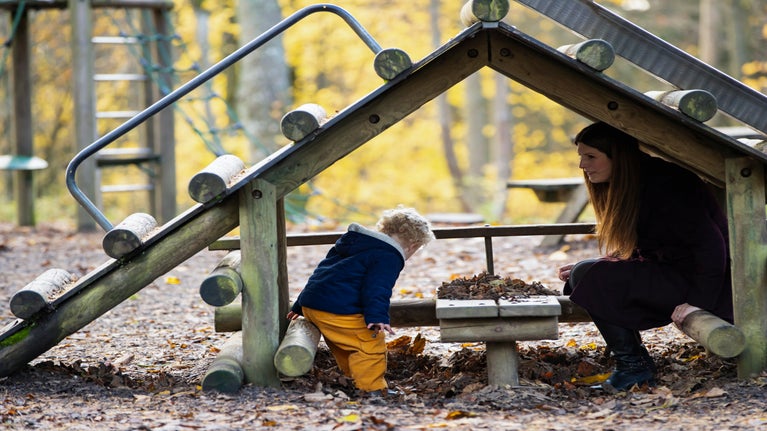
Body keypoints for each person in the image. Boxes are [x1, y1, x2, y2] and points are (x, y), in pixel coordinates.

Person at [558, 121, 733, 391]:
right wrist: (607, 262)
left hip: (708, 284)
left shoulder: (667, 184)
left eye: (591, 156)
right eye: (581, 156)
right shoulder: (636, 180)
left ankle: (634, 369)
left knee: (593, 276)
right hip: (672, 273)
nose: (583, 165)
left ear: (618, 156)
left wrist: (698, 303)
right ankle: (634, 363)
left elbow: (712, 248)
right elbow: (653, 243)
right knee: (583, 272)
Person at [287, 206, 435, 396]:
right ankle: (371, 389)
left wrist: (300, 304)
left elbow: (324, 272)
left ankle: (351, 379)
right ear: (413, 245)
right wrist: (377, 317)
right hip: (336, 309)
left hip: (314, 305)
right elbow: (377, 288)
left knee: (345, 345)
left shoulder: (355, 242)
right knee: (370, 344)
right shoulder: (389, 255)